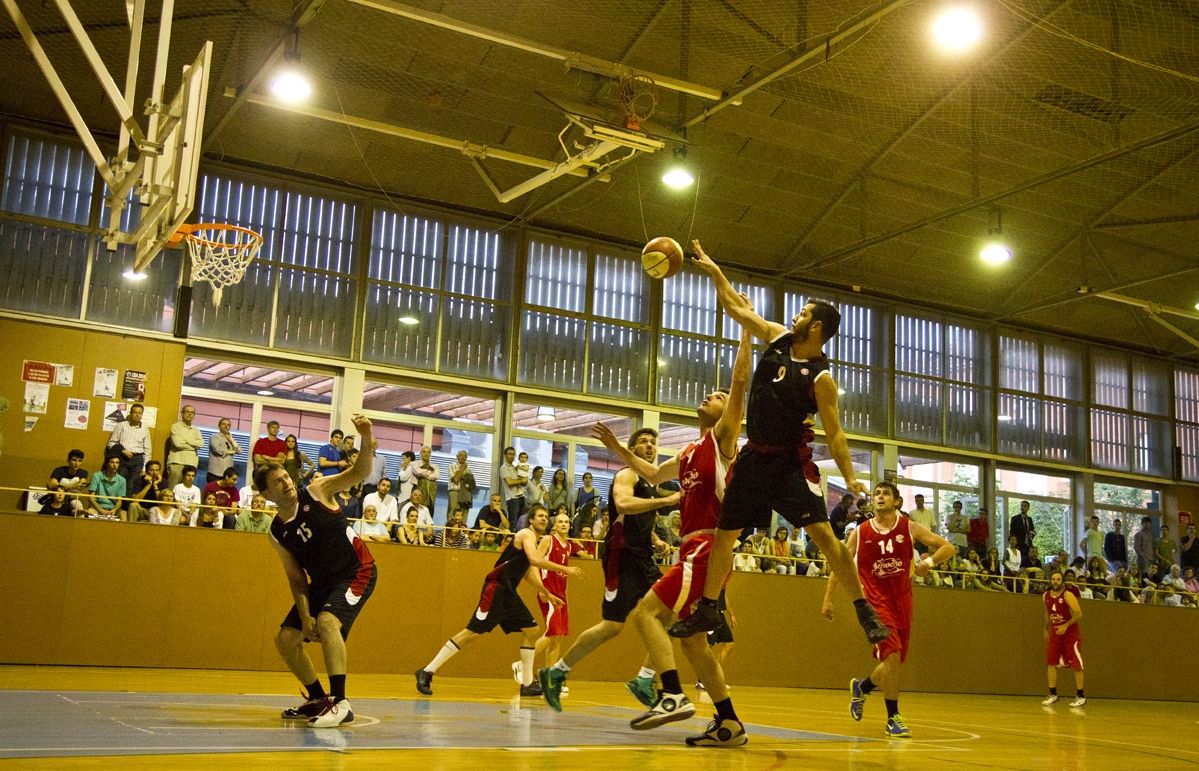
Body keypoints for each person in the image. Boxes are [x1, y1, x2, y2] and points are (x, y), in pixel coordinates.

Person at [667, 240, 888, 646]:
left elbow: (835, 434)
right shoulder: (778, 338)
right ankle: (708, 608)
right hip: (754, 459)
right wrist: (715, 270)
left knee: (825, 537)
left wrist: (852, 478)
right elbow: (737, 309)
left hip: (789, 464)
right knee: (725, 534)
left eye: (804, 312)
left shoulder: (822, 379)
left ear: (817, 327)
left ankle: (863, 609)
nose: (796, 315)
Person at [572, 324, 753, 746]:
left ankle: (671, 692)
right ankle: (729, 723)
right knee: (692, 642)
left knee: (645, 614)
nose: (712, 395)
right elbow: (652, 473)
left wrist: (744, 329)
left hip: (707, 546)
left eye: (719, 396)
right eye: (712, 394)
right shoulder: (689, 452)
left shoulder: (723, 441)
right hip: (693, 550)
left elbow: (740, 380)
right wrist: (617, 448)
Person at [538, 428, 679, 713]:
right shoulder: (627, 474)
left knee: (674, 613)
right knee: (612, 626)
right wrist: (665, 502)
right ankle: (557, 671)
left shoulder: (649, 482)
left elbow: (634, 520)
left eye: (654, 442)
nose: (650, 446)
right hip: (622, 559)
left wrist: (656, 540)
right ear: (632, 448)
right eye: (644, 442)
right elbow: (623, 505)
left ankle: (645, 678)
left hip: (643, 558)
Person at [257, 413, 379, 728]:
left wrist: (366, 436)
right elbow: (296, 578)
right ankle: (317, 699)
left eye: (286, 477)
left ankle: (341, 703)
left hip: (357, 570)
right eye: (278, 483)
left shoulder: (318, 490)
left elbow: (362, 469)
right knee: (285, 639)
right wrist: (304, 613)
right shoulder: (276, 531)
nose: (286, 483)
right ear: (267, 495)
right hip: (323, 582)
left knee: (327, 622)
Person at [822, 481, 955, 739]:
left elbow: (948, 548)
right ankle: (893, 718)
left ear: (896, 501)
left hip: (903, 602)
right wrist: (828, 598)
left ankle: (862, 687)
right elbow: (840, 565)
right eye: (877, 494)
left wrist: (928, 562)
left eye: (885, 494)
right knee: (892, 658)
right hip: (875, 603)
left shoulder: (909, 527)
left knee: (894, 664)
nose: (880, 497)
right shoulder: (859, 532)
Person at [415, 504, 581, 697]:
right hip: (495, 589)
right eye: (540, 516)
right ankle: (427, 671)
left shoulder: (534, 542)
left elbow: (528, 572)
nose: (544, 519)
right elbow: (535, 561)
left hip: (509, 593)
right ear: (531, 520)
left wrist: (546, 591)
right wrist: (566, 569)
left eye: (546, 516)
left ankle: (527, 684)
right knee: (471, 633)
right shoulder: (526, 534)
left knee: (532, 630)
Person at [1041, 567, 1085, 708]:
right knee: (1051, 662)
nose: (1055, 581)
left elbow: (1078, 614)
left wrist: (1065, 625)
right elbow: (1047, 614)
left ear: (1062, 581)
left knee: (1075, 665)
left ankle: (1080, 695)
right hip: (1055, 633)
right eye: (1053, 579)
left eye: (1058, 579)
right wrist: (1045, 628)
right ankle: (1053, 694)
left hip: (1070, 634)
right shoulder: (1046, 596)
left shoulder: (1067, 595)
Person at [106, 402, 152, 488]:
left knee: (132, 485)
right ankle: (118, 501)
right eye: (135, 412)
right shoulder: (121, 426)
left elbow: (147, 450)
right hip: (122, 458)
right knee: (119, 483)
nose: (137, 415)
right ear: (130, 413)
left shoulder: (145, 429)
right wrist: (123, 451)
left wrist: (144, 468)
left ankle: (128, 502)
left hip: (137, 459)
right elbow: (111, 444)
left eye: (140, 413)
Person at [166, 405, 204, 488]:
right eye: (187, 412)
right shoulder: (175, 426)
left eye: (192, 412)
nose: (189, 414)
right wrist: (193, 446)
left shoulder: (196, 429)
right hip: (177, 463)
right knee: (173, 490)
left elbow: (201, 444)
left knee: (187, 491)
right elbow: (178, 444)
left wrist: (186, 441)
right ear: (182, 413)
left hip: (191, 463)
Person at [46, 449, 89, 513]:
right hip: (58, 498)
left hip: (73, 498)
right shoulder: (59, 470)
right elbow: (51, 485)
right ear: (68, 460)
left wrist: (61, 486)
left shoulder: (83, 472)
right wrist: (72, 486)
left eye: (79, 461)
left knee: (78, 505)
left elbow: (81, 484)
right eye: (74, 460)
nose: (77, 463)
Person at [86, 454, 126, 518]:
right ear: (106, 464)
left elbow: (119, 501)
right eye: (112, 462)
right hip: (97, 508)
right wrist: (101, 510)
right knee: (90, 512)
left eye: (117, 463)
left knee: (123, 514)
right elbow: (91, 497)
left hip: (112, 509)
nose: (115, 465)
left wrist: (114, 510)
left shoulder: (122, 480)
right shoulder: (96, 476)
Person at [207, 417, 242, 484]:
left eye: (228, 425)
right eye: (224, 424)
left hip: (228, 474)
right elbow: (218, 450)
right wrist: (233, 451)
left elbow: (240, 451)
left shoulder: (230, 439)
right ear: (219, 426)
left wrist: (231, 440)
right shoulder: (214, 437)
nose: (226, 426)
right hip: (215, 473)